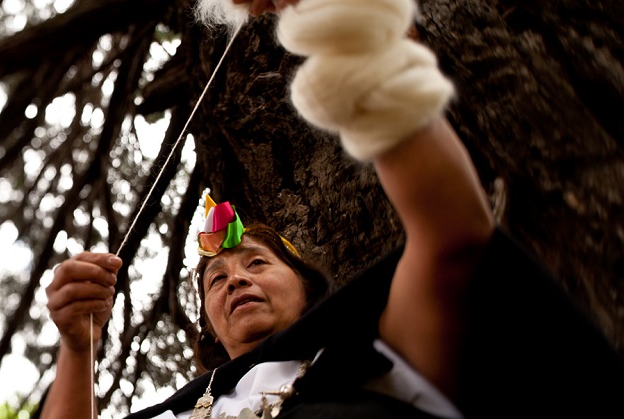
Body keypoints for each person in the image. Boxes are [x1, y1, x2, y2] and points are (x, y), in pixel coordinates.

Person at [38, 0, 624, 418]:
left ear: (312, 288)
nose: (235, 277)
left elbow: (454, 239)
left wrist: (340, 24)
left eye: (257, 263)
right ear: (210, 325)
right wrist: (76, 347)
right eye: (215, 279)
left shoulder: (370, 346)